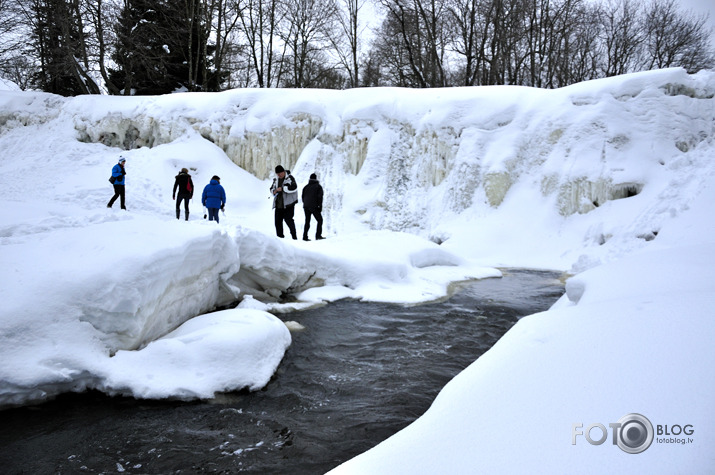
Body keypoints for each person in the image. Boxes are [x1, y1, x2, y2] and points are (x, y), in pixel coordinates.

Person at [270, 165, 298, 239]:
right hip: (279, 205)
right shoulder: (276, 180)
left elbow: (294, 188)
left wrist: (283, 188)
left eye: (280, 173)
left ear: (283, 171)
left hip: (289, 204)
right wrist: (274, 191)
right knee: (277, 222)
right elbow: (271, 189)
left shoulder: (290, 178)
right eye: (277, 174)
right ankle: (280, 238)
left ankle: (294, 237)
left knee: (289, 220)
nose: (279, 175)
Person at [302, 173, 324, 241]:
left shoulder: (306, 187)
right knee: (320, 220)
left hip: (306, 206)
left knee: (307, 221)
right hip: (314, 206)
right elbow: (320, 197)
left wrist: (305, 203)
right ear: (316, 178)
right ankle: (318, 236)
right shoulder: (318, 186)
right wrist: (320, 206)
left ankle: (305, 237)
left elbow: (303, 196)